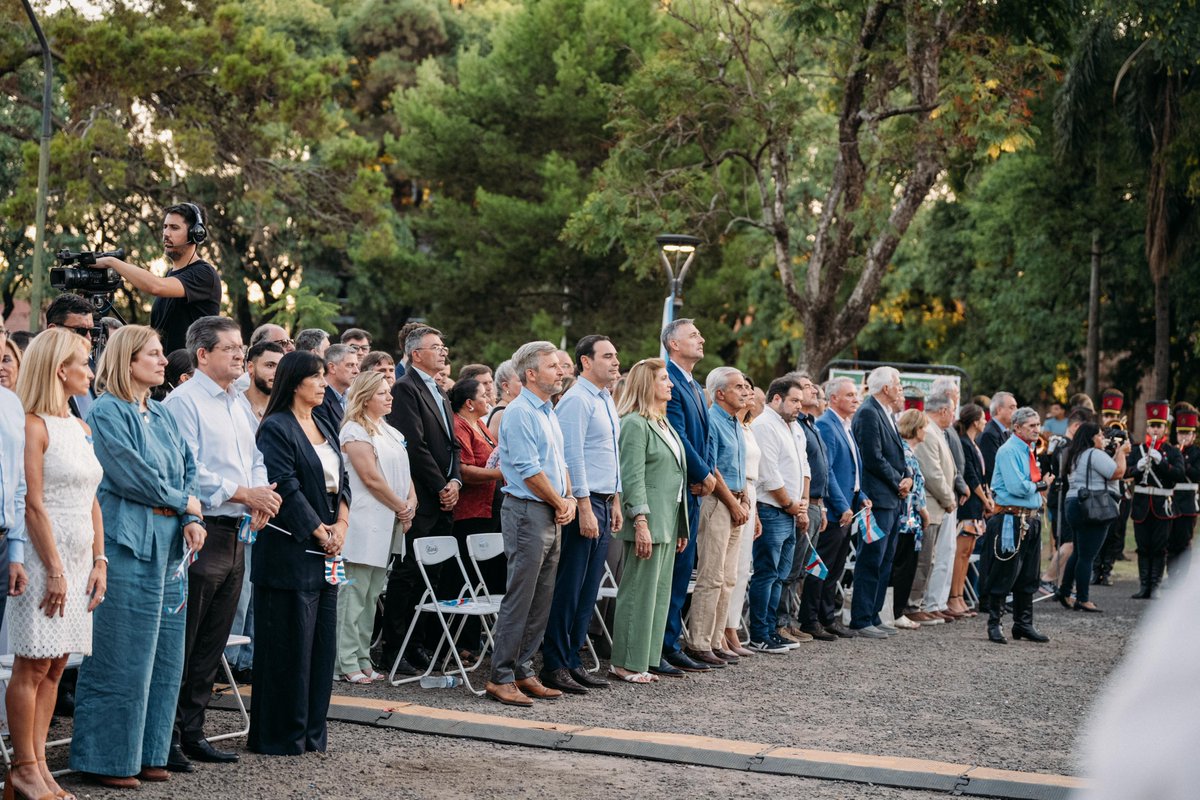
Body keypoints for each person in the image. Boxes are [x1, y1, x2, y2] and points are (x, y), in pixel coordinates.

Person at [69, 325, 204, 788]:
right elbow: (130, 475)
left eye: (163, 354)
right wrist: (182, 502)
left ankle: (149, 753)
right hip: (127, 545)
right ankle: (105, 759)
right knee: (122, 655)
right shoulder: (108, 411)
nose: (164, 361)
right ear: (127, 361)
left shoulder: (163, 413)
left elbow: (189, 465)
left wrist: (193, 517)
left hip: (171, 547)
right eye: (153, 354)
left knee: (166, 659)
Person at [161, 316, 281, 770]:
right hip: (201, 528)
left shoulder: (236, 402)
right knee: (186, 639)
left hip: (237, 531)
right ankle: (167, 735)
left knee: (213, 641)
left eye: (239, 347)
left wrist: (261, 495)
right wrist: (242, 492)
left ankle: (193, 731)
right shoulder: (183, 402)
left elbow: (254, 458)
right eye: (228, 347)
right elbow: (189, 470)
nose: (238, 354)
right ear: (203, 355)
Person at [6, 329, 104, 800]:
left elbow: (93, 501)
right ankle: (23, 767)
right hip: (47, 560)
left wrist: (99, 560)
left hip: (81, 556)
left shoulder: (80, 426)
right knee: (32, 663)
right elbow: (33, 503)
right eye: (85, 362)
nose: (91, 370)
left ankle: (40, 764)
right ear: (60, 369)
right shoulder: (33, 423)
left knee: (56, 665)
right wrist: (57, 569)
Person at [251, 351, 350, 754]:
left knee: (322, 644)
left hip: (328, 544)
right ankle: (281, 734)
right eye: (316, 377)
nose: (324, 383)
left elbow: (343, 481)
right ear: (295, 382)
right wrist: (318, 530)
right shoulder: (276, 427)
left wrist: (340, 526)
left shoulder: (326, 421)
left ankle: (311, 730)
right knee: (289, 644)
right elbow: (284, 487)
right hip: (291, 546)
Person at [486, 341, 576, 707]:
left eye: (560, 365)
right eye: (553, 366)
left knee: (542, 596)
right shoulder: (521, 412)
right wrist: (559, 501)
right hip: (527, 510)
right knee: (521, 595)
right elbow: (527, 469)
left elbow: (559, 462)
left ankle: (524, 670)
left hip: (550, 508)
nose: (561, 371)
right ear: (531, 374)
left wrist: (568, 499)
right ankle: (500, 676)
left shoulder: (548, 411)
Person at [541, 335, 623, 693]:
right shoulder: (576, 400)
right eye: (607, 356)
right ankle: (555, 663)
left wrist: (616, 501)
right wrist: (586, 507)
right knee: (570, 587)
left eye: (616, 355)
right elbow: (572, 458)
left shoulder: (604, 398)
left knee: (589, 589)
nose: (615, 361)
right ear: (586, 362)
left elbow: (608, 455)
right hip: (585, 504)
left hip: (605, 501)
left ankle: (573, 660)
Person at [381, 326, 462, 674]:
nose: (443, 352)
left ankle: (418, 644)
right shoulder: (405, 389)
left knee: (433, 576)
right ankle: (395, 649)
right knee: (408, 576)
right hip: (423, 498)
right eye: (436, 347)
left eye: (444, 346)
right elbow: (414, 445)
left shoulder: (440, 391)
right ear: (416, 355)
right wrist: (441, 485)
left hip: (445, 495)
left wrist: (457, 478)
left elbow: (452, 442)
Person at [608, 359, 688, 683]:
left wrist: (681, 526)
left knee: (658, 593)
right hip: (648, 519)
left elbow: (676, 479)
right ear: (646, 385)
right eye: (664, 379)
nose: (670, 384)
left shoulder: (663, 422)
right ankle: (625, 661)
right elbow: (633, 475)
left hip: (668, 520)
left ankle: (645, 657)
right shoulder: (634, 423)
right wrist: (639, 520)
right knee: (639, 591)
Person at [337, 371, 415, 683]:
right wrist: (400, 505)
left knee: (371, 596)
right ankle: (343, 661)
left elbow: (405, 472)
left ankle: (362, 656)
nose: (389, 397)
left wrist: (410, 501)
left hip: (388, 520)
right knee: (353, 594)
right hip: (364, 520)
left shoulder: (389, 430)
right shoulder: (354, 430)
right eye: (382, 392)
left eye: (389, 392)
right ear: (365, 396)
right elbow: (369, 477)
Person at [657, 319, 720, 675]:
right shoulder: (668, 380)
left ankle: (671, 642)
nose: (702, 339)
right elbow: (677, 435)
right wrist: (703, 475)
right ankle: (663, 645)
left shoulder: (695, 384)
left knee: (684, 571)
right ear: (673, 344)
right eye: (694, 335)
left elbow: (705, 437)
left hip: (696, 487)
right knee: (674, 569)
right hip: (680, 487)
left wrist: (708, 473)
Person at [225, 340, 286, 683]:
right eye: (268, 365)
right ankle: (229, 661)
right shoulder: (237, 405)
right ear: (250, 368)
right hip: (236, 508)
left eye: (280, 366)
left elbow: (258, 462)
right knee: (238, 593)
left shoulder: (282, 410)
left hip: (269, 509)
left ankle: (249, 658)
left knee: (258, 589)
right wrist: (251, 497)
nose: (274, 373)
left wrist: (264, 498)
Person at [684, 366, 750, 666]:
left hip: (737, 499)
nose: (745, 391)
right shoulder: (712, 419)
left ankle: (716, 639)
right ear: (720, 393)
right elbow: (714, 467)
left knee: (729, 577)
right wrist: (732, 502)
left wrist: (744, 498)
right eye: (738, 387)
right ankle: (698, 641)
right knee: (711, 575)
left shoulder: (736, 422)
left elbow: (738, 464)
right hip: (718, 502)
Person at [94, 203, 221, 355]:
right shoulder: (170, 275)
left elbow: (156, 287)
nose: (166, 233)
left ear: (196, 233)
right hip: (163, 371)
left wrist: (111, 261)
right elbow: (161, 331)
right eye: (165, 226)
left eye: (174, 228)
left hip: (189, 374)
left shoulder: (204, 273)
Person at [800, 377, 865, 639]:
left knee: (836, 567)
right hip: (834, 508)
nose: (855, 399)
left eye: (855, 395)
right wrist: (840, 504)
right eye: (849, 395)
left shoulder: (846, 426)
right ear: (834, 398)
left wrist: (862, 497)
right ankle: (811, 619)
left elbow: (853, 469)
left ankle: (828, 616)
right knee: (822, 566)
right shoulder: (826, 425)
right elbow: (829, 472)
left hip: (849, 506)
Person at [849, 367, 912, 639]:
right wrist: (898, 480)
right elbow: (872, 457)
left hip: (892, 497)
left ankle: (874, 614)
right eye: (897, 384)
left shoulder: (886, 412)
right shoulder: (867, 413)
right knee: (871, 558)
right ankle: (861, 618)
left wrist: (907, 476)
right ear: (885, 388)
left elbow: (897, 453)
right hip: (877, 496)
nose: (900, 388)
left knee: (886, 559)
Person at [748, 377, 809, 653]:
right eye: (795, 400)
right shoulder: (765, 425)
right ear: (776, 399)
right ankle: (760, 633)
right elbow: (769, 473)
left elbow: (804, 467)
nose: (800, 405)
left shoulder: (794, 428)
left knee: (782, 574)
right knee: (767, 572)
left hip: (791, 510)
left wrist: (803, 503)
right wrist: (789, 504)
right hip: (773, 509)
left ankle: (773, 629)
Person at [982, 407, 1051, 644]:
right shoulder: (1009, 451)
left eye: (1038, 424)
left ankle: (1023, 624)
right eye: (1031, 426)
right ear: (1017, 428)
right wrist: (1041, 485)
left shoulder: (1028, 450)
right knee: (1004, 572)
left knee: (1029, 575)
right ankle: (995, 623)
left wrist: (1036, 487)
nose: (1036, 429)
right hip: (1010, 519)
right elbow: (1017, 487)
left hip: (1029, 517)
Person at [448, 375, 503, 659]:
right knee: (465, 576)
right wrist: (500, 474)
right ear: (469, 403)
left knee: (482, 575)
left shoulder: (480, 424)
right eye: (484, 394)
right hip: (470, 511)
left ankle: (473, 637)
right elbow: (465, 469)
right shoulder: (460, 426)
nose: (489, 397)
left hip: (488, 507)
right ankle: (462, 641)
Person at [1057, 422, 1130, 611]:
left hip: (1073, 504)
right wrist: (1121, 452)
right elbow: (1117, 472)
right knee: (1087, 556)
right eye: (1099, 435)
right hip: (1093, 506)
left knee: (1079, 552)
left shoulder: (1075, 454)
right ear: (1091, 438)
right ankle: (1083, 598)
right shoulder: (1094, 454)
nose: (1102, 439)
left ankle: (1065, 592)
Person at [904, 393, 958, 623]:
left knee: (932, 558)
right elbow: (932, 473)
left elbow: (948, 469)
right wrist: (948, 499)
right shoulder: (928, 431)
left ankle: (923, 602)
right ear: (943, 410)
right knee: (923, 558)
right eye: (952, 410)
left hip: (937, 505)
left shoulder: (937, 432)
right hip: (931, 503)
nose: (954, 416)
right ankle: (913, 604)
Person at [1129, 401, 1186, 599]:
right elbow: (1126, 472)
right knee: (1143, 546)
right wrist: (1137, 467)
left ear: (1164, 429)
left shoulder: (1172, 451)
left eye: (1159, 426)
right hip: (1141, 505)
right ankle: (1144, 585)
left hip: (1162, 506)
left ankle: (1155, 586)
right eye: (1152, 425)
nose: (1155, 429)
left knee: (1159, 547)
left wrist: (1162, 462)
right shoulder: (1138, 450)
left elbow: (1179, 474)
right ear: (1147, 427)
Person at [725, 380, 763, 654]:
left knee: (742, 569)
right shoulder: (731, 425)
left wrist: (756, 512)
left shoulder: (748, 428)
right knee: (731, 567)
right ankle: (725, 629)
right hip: (733, 490)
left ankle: (733, 626)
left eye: (750, 390)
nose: (749, 394)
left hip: (750, 492)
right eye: (744, 389)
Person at [950, 404, 992, 616]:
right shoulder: (965, 443)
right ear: (975, 422)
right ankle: (954, 596)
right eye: (983, 418)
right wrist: (985, 499)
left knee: (967, 552)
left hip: (976, 506)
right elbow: (971, 476)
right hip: (969, 506)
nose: (986, 422)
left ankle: (960, 596)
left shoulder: (974, 444)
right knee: (961, 551)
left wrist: (987, 497)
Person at [890, 409, 929, 629]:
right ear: (915, 428)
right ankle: (896, 611)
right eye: (923, 427)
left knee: (905, 565)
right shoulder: (905, 452)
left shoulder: (909, 452)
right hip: (907, 519)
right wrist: (923, 511)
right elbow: (914, 488)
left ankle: (897, 610)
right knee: (902, 567)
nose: (926, 432)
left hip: (909, 520)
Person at [1093, 388, 1131, 585]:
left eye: (1113, 415)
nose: (1110, 419)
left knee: (1115, 531)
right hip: (1098, 490)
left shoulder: (1126, 436)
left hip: (1117, 490)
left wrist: (1122, 448)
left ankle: (1107, 570)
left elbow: (1130, 467)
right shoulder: (1097, 435)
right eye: (1107, 415)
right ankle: (1095, 569)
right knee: (1098, 528)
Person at [44, 294, 97, 419]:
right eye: (80, 331)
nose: (89, 338)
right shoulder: (38, 374)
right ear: (53, 330)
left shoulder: (95, 368)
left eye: (92, 331)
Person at [1168, 404, 1200, 579]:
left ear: (1193, 435)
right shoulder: (1171, 450)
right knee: (1170, 540)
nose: (1183, 437)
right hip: (1172, 501)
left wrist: (1182, 463)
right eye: (1181, 433)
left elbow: (1196, 474)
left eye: (1187, 433)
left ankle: (1182, 578)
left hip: (1188, 502)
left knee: (1184, 541)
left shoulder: (1197, 453)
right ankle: (1171, 575)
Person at [315, 344, 358, 432]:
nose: (356, 371)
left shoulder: (354, 397)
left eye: (357, 365)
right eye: (350, 365)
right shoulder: (319, 400)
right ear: (332, 368)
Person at [979, 391, 1016, 483]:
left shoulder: (1005, 431)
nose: (1016, 411)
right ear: (999, 410)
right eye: (1012, 407)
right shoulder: (989, 434)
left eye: (1016, 407)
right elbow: (993, 469)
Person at [487, 359, 521, 437]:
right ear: (506, 386)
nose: (526, 384)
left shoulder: (510, 408)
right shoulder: (502, 413)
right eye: (520, 380)